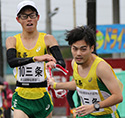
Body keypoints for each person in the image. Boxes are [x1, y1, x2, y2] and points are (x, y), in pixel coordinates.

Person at [5, 0, 65, 118]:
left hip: (42, 95)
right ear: (18, 20)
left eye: (32, 15)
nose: (29, 19)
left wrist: (53, 64)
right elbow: (11, 62)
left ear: (37, 17)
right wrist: (35, 58)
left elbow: (62, 63)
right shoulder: (12, 40)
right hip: (21, 95)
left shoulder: (48, 39)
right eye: (24, 16)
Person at [48, 26, 123, 118]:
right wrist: (55, 85)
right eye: (75, 49)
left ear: (91, 48)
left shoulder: (101, 67)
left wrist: (94, 106)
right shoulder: (74, 63)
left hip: (105, 115)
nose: (78, 53)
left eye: (83, 49)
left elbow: (118, 97)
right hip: (86, 114)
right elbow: (79, 84)